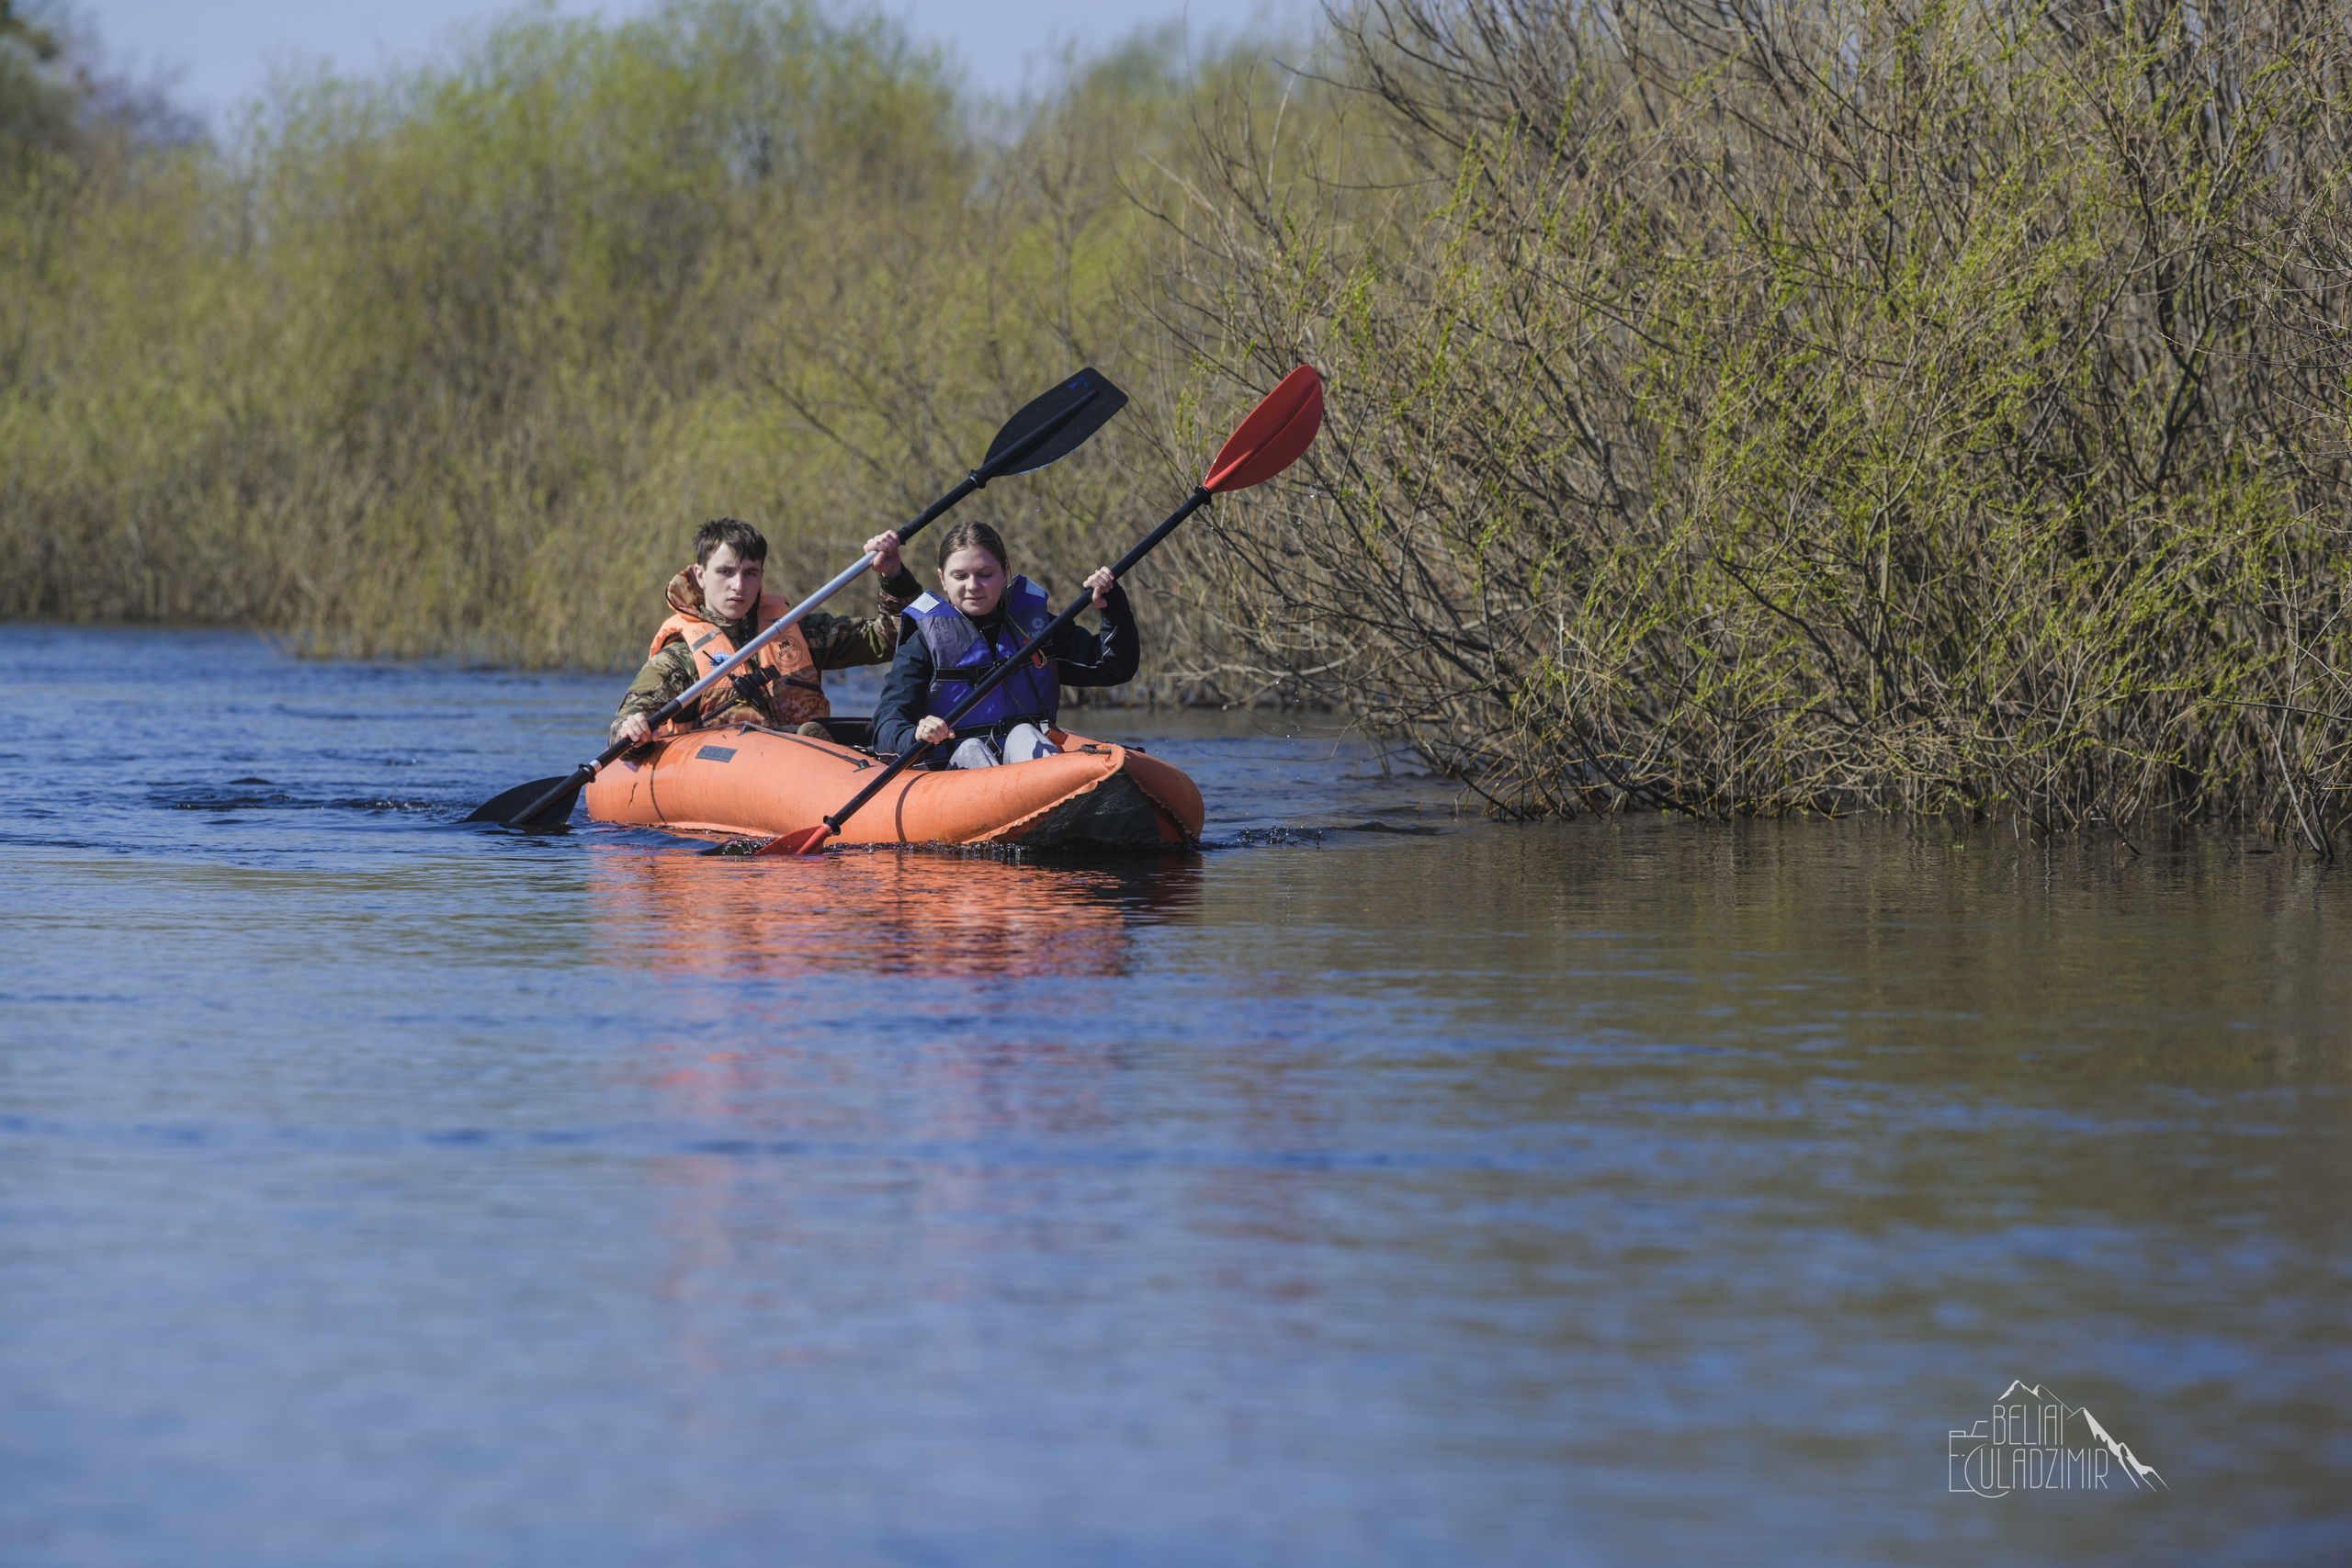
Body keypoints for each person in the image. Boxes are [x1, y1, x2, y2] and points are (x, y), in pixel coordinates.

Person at [611, 518, 919, 745]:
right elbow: (625, 725)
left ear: (761, 576)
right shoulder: (678, 658)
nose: (738, 586)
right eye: (725, 572)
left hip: (808, 767)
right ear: (700, 576)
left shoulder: (798, 629)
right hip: (725, 776)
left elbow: (890, 638)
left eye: (750, 574)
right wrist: (632, 725)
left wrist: (893, 575)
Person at [871, 520, 1137, 767]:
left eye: (985, 574)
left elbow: (1113, 667)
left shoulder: (1036, 627)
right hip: (955, 769)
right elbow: (887, 724)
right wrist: (916, 734)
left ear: (1004, 573)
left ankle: (1055, 800)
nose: (973, 586)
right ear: (942, 578)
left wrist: (1112, 606)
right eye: (960, 576)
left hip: (1026, 758)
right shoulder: (922, 642)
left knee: (1024, 734)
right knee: (971, 748)